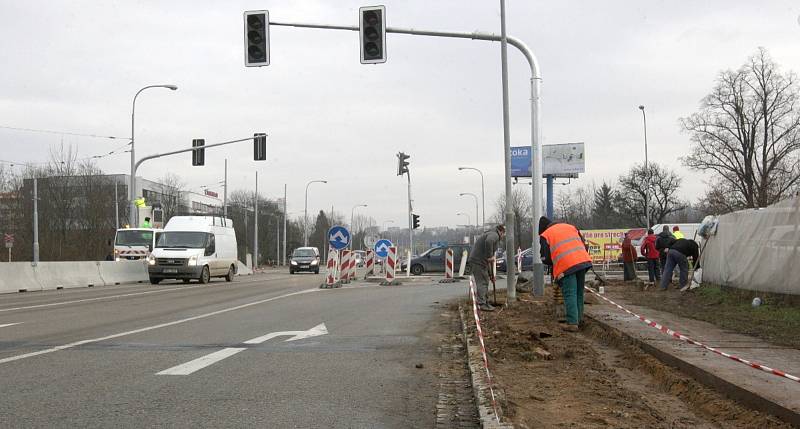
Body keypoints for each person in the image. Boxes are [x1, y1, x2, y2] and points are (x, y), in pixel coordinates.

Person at [539, 216, 593, 332]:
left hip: (566, 265)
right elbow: (584, 244)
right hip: (583, 261)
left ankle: (572, 322)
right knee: (579, 292)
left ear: (543, 229)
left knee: (569, 293)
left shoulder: (545, 235)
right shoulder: (571, 227)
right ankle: (579, 319)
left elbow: (545, 257)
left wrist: (552, 264)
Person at [469, 225, 505, 312]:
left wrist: (491, 275)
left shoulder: (492, 235)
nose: (503, 236)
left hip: (480, 261)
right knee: (483, 282)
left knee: (485, 280)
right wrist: (490, 256)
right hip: (478, 261)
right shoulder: (494, 235)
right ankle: (482, 304)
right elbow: (489, 242)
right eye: (503, 234)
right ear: (501, 232)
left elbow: (489, 261)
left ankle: (485, 301)